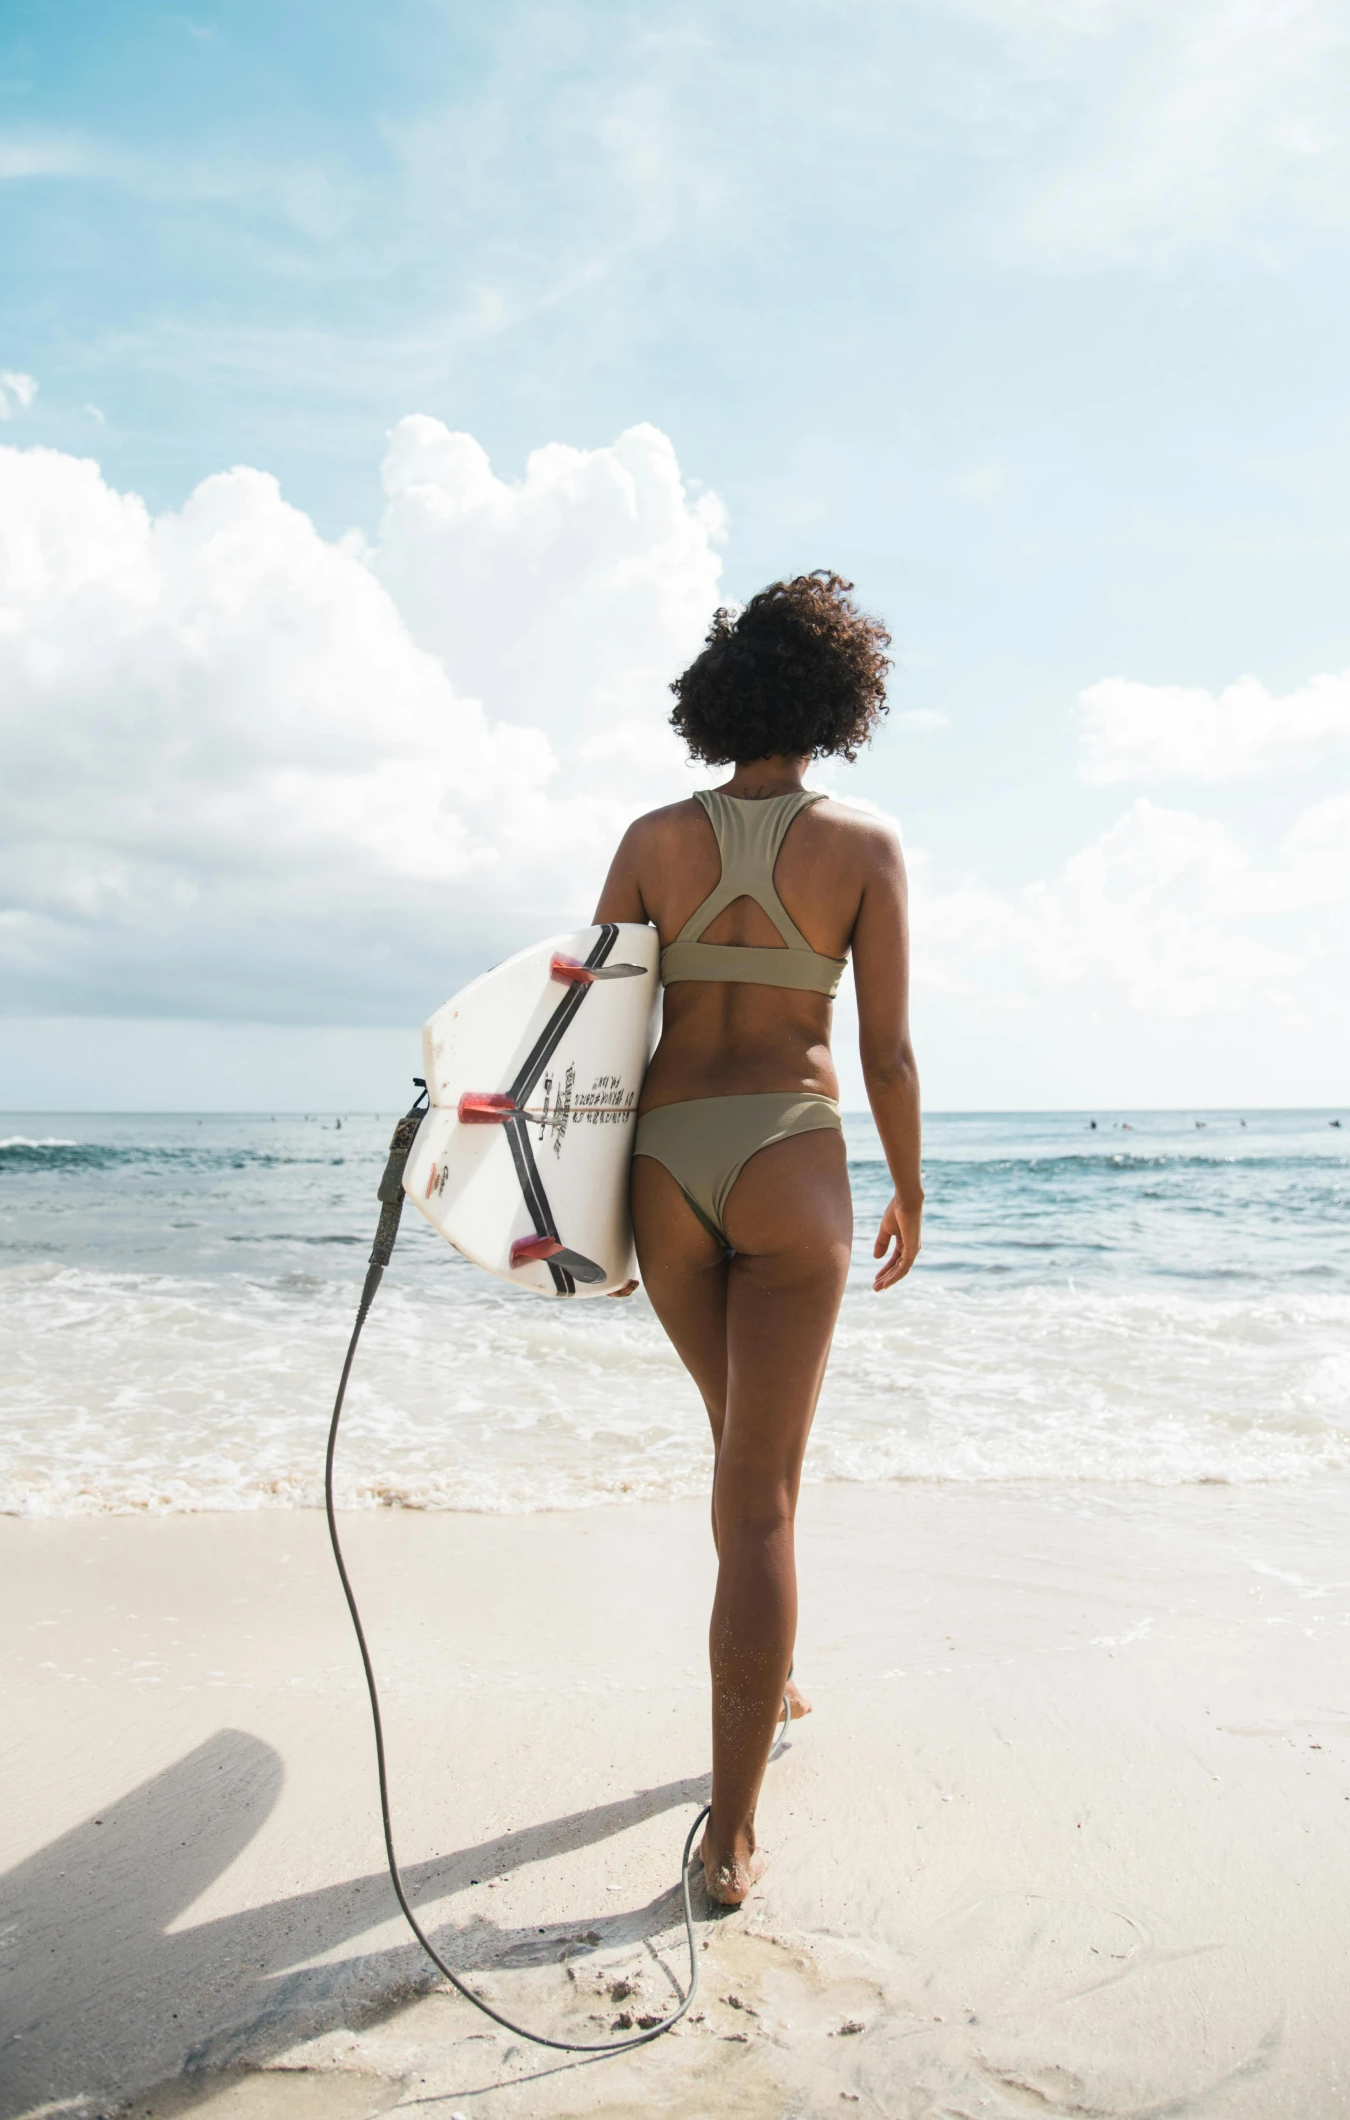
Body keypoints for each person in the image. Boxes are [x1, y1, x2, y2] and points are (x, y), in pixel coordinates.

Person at [593, 572, 923, 1907]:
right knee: (762, 1491)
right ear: (842, 701)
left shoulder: (651, 838)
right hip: (791, 1159)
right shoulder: (863, 848)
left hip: (666, 1167)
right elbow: (887, 1047)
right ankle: (729, 1837)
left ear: (722, 693)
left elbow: (593, 1025)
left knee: (738, 1461)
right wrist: (911, 1186)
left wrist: (568, 1197)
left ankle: (770, 1676)